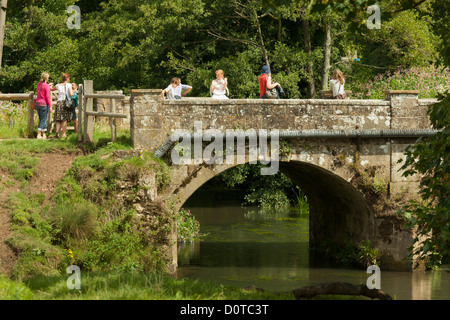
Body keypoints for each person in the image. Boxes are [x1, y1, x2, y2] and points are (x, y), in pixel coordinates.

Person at [50, 73, 73, 138]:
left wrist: (50, 85)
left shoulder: (57, 85)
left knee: (58, 119)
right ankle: (63, 134)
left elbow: (51, 89)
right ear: (67, 78)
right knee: (64, 119)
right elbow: (71, 94)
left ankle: (57, 133)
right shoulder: (69, 85)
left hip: (59, 102)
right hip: (65, 103)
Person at [35, 72, 52, 139]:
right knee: (43, 119)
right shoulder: (46, 86)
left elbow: (42, 87)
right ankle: (39, 134)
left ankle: (44, 134)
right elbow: (47, 97)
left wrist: (48, 85)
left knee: (42, 119)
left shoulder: (38, 84)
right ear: (47, 78)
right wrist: (50, 106)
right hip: (43, 104)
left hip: (37, 103)